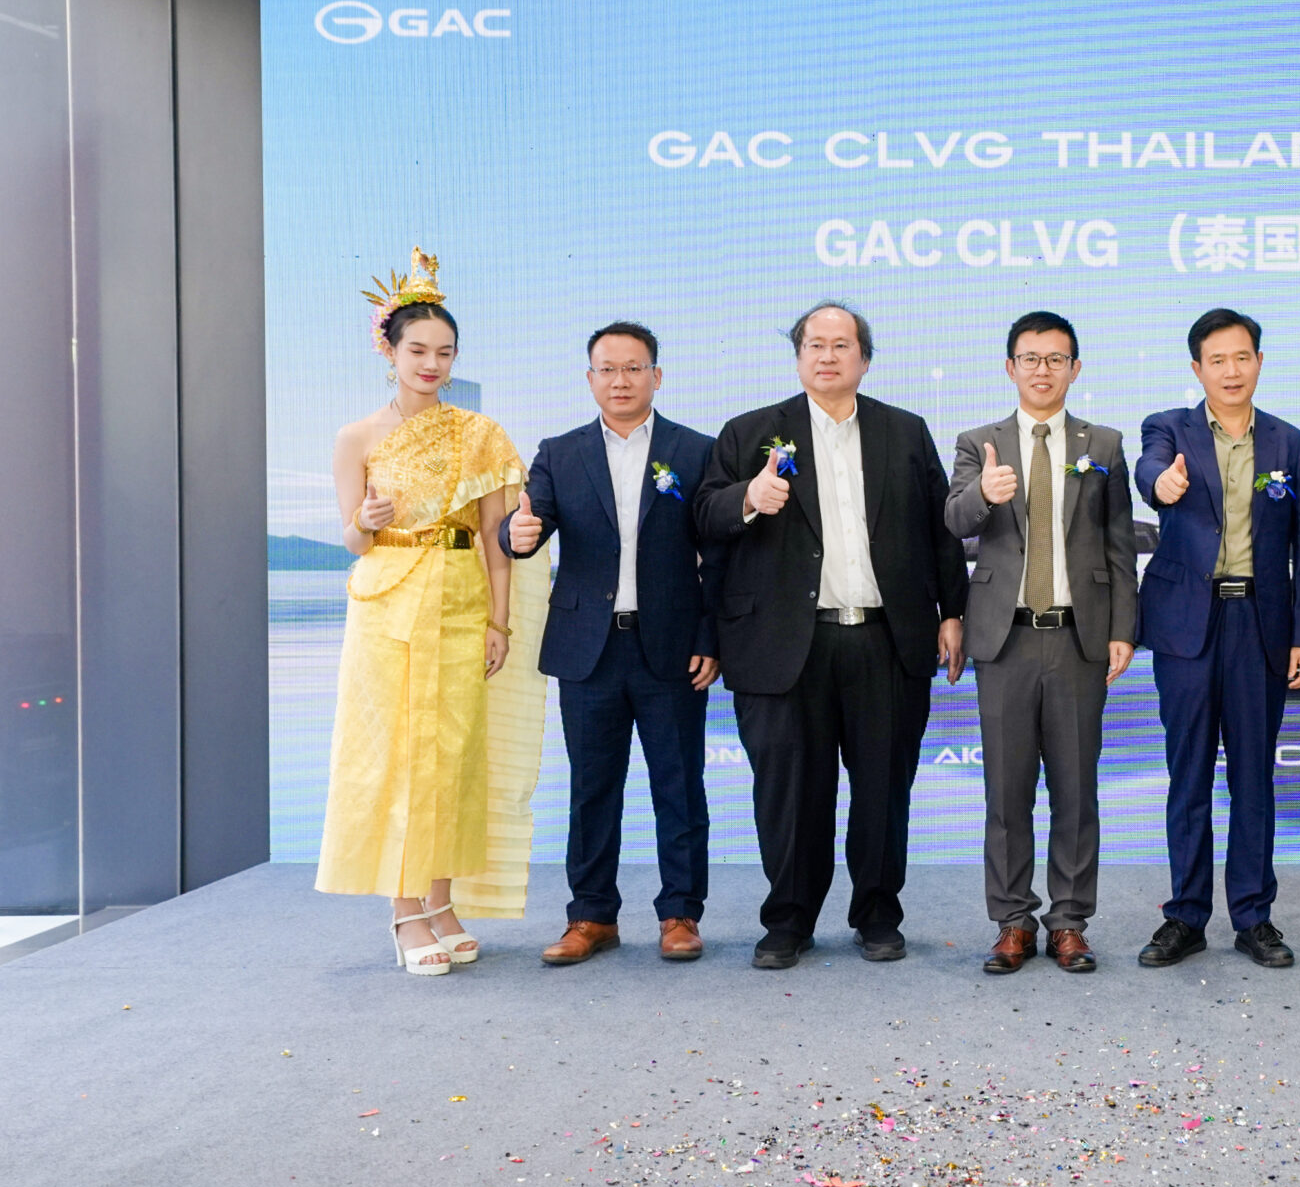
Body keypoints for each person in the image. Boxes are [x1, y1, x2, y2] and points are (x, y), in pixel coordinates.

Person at [694, 303, 967, 971]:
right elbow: (704, 517)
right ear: (798, 357)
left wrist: (952, 612)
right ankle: (788, 919)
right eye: (814, 344)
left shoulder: (904, 431)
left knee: (882, 790)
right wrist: (749, 497)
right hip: (784, 645)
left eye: (841, 345)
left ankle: (877, 914)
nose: (827, 356)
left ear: (864, 359)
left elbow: (940, 531)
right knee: (790, 794)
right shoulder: (750, 432)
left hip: (884, 639)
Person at [318, 249, 548, 972]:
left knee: (453, 753)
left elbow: (495, 537)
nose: (431, 364)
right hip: (387, 600)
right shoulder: (356, 437)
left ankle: (442, 902)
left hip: (459, 596)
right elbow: (353, 540)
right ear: (388, 350)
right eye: (417, 349)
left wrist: (499, 621)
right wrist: (366, 519)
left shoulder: (480, 432)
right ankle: (404, 911)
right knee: (398, 754)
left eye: (444, 352)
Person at [508, 321, 726, 966]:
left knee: (679, 786)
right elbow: (530, 523)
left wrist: (710, 635)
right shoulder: (559, 452)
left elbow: (718, 553)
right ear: (590, 379)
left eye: (634, 368)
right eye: (608, 369)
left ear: (657, 376)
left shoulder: (696, 450)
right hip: (588, 650)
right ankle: (590, 915)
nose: (621, 380)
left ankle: (680, 913)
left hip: (672, 647)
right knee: (591, 789)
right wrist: (515, 535)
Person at [945, 311, 1138, 976]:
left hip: (1079, 637)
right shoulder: (979, 442)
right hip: (1004, 639)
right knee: (1007, 790)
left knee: (1076, 789)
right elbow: (954, 520)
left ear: (1075, 368)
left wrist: (1122, 627)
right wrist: (983, 492)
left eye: (1056, 358)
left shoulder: (1103, 443)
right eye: (1030, 358)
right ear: (1010, 367)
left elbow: (1119, 544)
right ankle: (1012, 920)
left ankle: (1070, 922)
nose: (1042, 369)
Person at [1133, 308, 1300, 970]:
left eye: (1242, 357)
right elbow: (1149, 470)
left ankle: (1253, 915)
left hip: (1260, 626)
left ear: (1259, 362)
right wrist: (1161, 483)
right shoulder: (1169, 428)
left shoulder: (1287, 441)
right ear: (1198, 368)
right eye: (1217, 360)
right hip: (1187, 626)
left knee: (1253, 778)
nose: (1231, 370)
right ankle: (1185, 915)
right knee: (1188, 775)